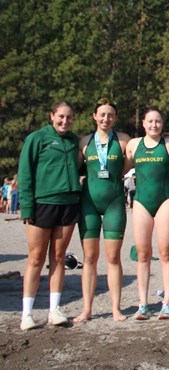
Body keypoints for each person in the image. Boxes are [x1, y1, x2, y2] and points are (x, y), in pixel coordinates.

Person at [18, 100, 82, 330]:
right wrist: (27, 207)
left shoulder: (74, 140)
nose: (65, 121)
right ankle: (26, 314)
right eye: (61, 117)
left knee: (59, 256)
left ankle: (54, 309)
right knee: (36, 258)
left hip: (68, 204)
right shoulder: (37, 138)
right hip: (42, 204)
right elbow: (25, 173)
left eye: (69, 117)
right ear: (51, 116)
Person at [74, 98, 131, 323]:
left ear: (115, 118)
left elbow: (130, 164)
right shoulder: (84, 142)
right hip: (88, 202)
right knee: (89, 257)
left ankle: (116, 309)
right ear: (94, 116)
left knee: (113, 257)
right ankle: (87, 309)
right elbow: (76, 167)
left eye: (110, 115)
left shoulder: (124, 141)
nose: (106, 119)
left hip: (114, 203)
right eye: (102, 115)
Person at [125, 107, 169, 320]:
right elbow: (123, 168)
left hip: (164, 199)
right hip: (141, 202)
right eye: (150, 121)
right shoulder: (134, 145)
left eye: (158, 121)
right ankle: (143, 304)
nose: (154, 125)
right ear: (144, 124)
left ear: (162, 124)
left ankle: (167, 303)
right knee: (143, 254)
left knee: (165, 252)